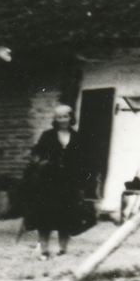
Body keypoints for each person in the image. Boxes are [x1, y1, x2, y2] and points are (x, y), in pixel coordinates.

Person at [19, 105, 90, 260]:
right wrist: (41, 163)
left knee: (66, 217)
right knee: (45, 216)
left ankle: (62, 250)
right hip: (48, 183)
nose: (62, 120)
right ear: (55, 119)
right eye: (59, 117)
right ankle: (44, 250)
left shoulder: (78, 137)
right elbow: (36, 154)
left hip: (69, 183)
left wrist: (81, 182)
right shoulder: (47, 135)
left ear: (71, 118)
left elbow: (83, 160)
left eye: (65, 116)